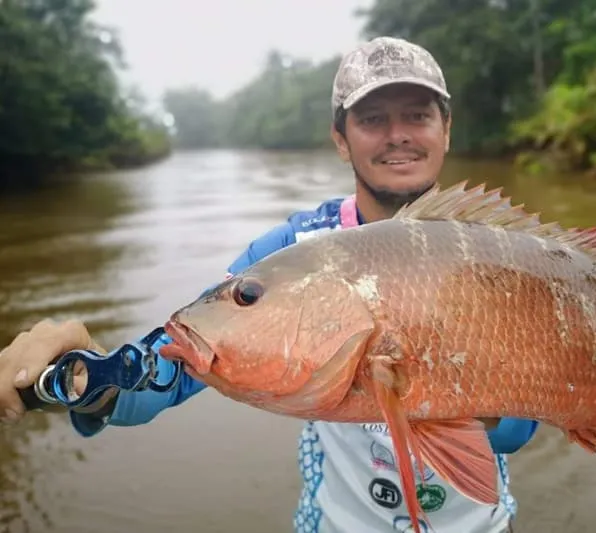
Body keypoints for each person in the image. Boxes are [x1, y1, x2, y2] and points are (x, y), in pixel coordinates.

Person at [0, 36, 539, 533]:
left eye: (418, 116)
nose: (397, 134)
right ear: (340, 138)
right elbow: (173, 367)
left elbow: (519, 431)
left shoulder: (507, 255)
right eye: (372, 118)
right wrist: (83, 375)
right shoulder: (288, 254)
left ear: (446, 128)